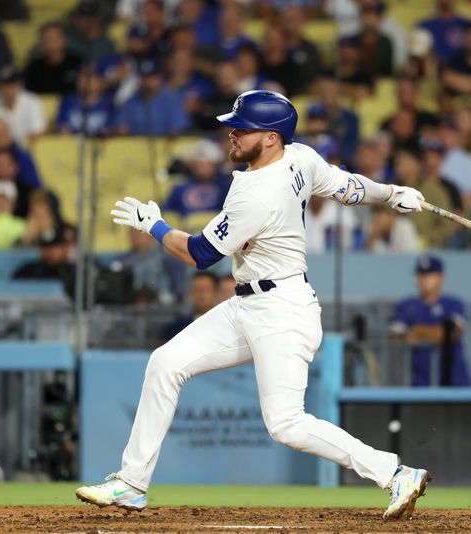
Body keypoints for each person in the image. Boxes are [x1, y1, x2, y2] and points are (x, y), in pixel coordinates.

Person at [75, 90, 430, 520]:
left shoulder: (258, 193)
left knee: (285, 423)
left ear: (271, 139)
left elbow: (200, 254)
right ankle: (131, 483)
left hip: (282, 311)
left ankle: (394, 473)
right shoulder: (300, 157)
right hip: (246, 304)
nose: (233, 133)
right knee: (166, 362)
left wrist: (155, 225)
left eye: (243, 128)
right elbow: (349, 187)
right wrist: (390, 193)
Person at [390, 254, 470, 387]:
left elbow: (450, 334)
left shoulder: (453, 304)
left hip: (453, 381)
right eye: (420, 275)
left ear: (441, 278)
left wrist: (417, 331)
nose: (424, 279)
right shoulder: (406, 305)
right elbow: (396, 339)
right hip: (419, 383)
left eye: (429, 275)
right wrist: (435, 332)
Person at [0, 66, 47, 145]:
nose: (8, 89)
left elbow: (38, 133)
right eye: (4, 85)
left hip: (26, 149)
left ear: (19, 85)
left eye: (11, 84)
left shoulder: (33, 102)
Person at [23, 22, 83, 95]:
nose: (50, 43)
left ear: (64, 40)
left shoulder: (79, 63)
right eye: (45, 40)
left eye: (54, 39)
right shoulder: (33, 68)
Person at [161, 271, 219, 340]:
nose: (201, 294)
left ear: (216, 293)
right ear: (190, 293)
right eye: (197, 289)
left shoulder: (226, 327)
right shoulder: (175, 329)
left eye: (206, 289)